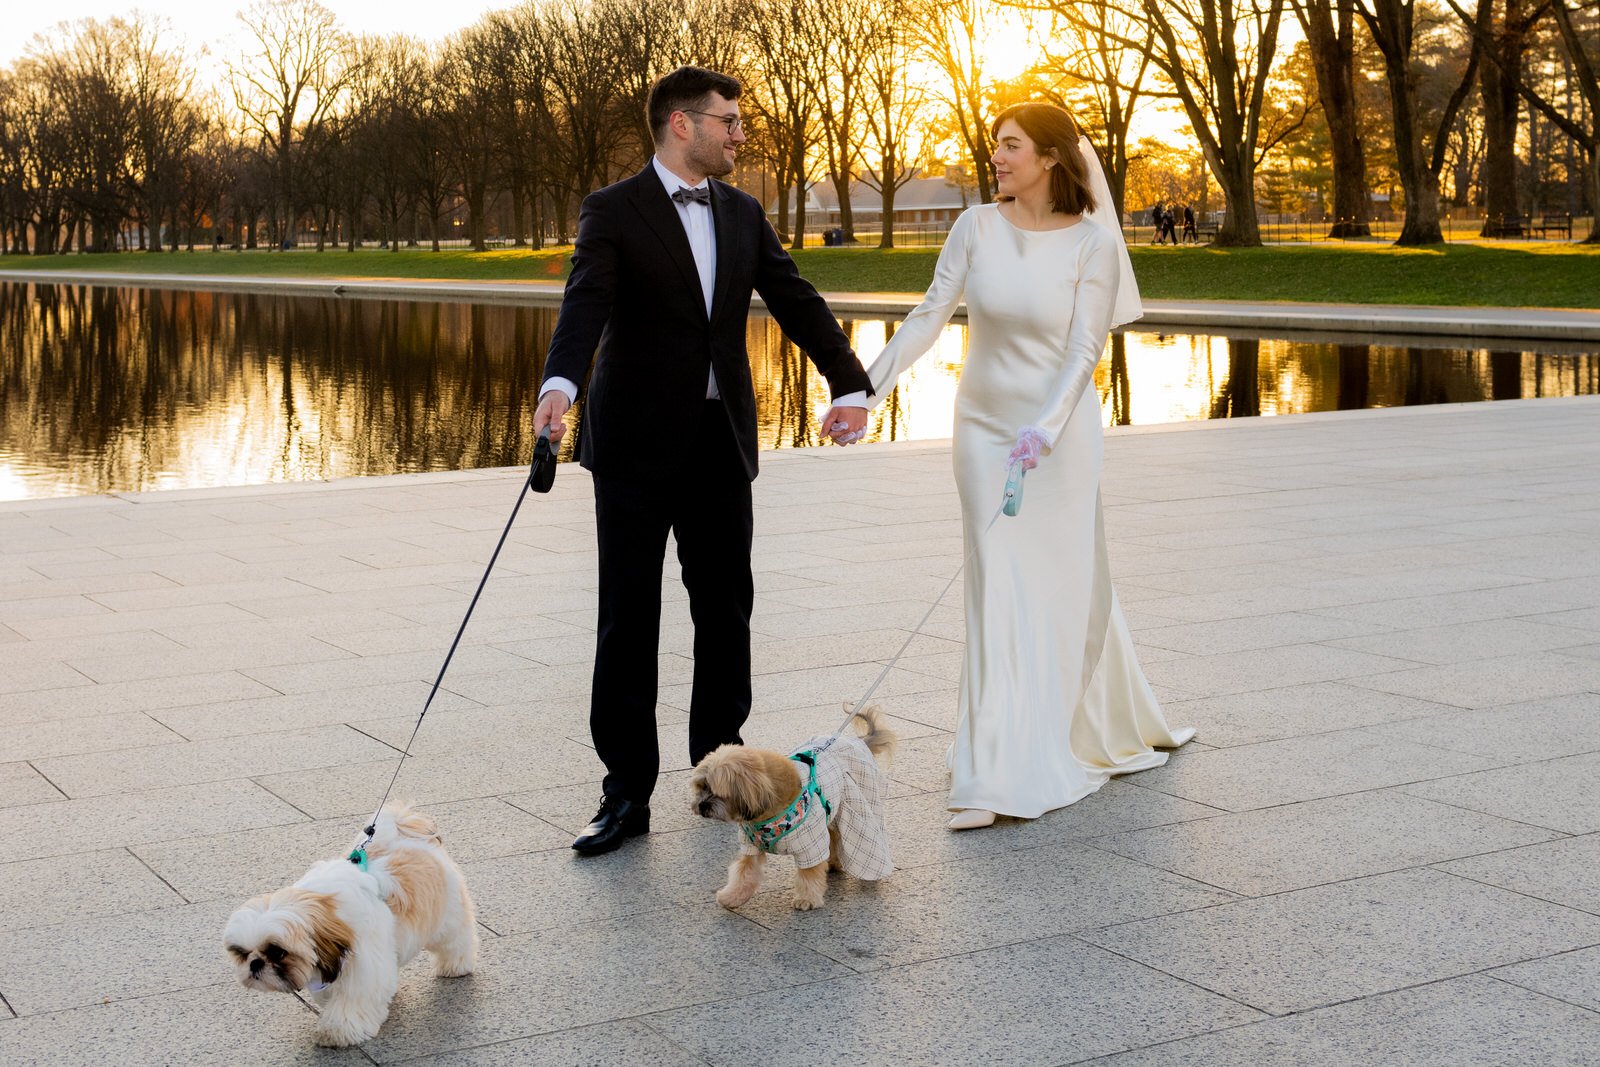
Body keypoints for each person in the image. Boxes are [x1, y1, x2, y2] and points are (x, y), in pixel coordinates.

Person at [533, 66, 874, 856]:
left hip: (721, 445)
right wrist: (560, 382)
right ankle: (625, 796)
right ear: (682, 125)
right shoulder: (611, 211)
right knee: (628, 619)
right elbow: (584, 300)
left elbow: (796, 299)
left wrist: (849, 380)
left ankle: (724, 776)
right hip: (632, 449)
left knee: (725, 614)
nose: (740, 133)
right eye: (729, 120)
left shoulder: (744, 213)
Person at [859, 102, 1194, 831]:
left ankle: (1063, 727)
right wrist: (866, 392)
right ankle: (991, 769)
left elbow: (1083, 353)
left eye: (1011, 146)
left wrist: (1045, 429)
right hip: (981, 433)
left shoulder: (1093, 246)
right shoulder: (974, 226)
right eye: (996, 145)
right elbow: (928, 313)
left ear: (1049, 157)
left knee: (1059, 583)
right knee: (996, 588)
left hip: (1060, 439)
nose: (998, 158)